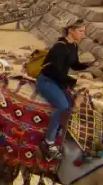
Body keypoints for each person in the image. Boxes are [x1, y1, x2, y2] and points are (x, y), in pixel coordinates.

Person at [36, 20, 92, 160]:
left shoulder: (73, 46)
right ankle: (48, 142)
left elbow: (75, 64)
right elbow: (54, 71)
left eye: (83, 31)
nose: (83, 34)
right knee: (62, 105)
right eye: (80, 31)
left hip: (59, 81)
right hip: (47, 80)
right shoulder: (60, 47)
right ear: (71, 30)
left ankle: (61, 132)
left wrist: (90, 65)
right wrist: (74, 81)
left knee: (74, 104)